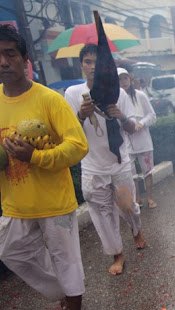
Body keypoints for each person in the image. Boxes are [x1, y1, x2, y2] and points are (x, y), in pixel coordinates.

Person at [0, 24, 88, 310]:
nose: (3, 61)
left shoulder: (50, 100)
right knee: (8, 249)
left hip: (55, 200)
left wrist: (35, 156)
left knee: (68, 259)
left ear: (24, 58)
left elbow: (78, 147)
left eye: (10, 53)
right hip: (16, 201)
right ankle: (63, 290)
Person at [65, 44, 146, 276]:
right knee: (102, 215)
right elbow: (70, 132)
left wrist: (121, 117)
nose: (92, 67)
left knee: (129, 208)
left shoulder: (118, 93)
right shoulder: (72, 94)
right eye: (87, 62)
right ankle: (117, 254)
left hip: (120, 164)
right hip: (92, 168)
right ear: (81, 65)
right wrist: (81, 115)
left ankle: (136, 229)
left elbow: (131, 128)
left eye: (97, 62)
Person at [118, 67, 158, 209]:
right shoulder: (116, 99)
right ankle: (137, 199)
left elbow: (152, 115)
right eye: (120, 79)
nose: (123, 82)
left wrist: (141, 123)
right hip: (126, 142)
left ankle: (150, 197)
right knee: (131, 173)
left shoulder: (140, 95)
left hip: (143, 140)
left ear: (130, 79)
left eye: (125, 78)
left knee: (147, 171)